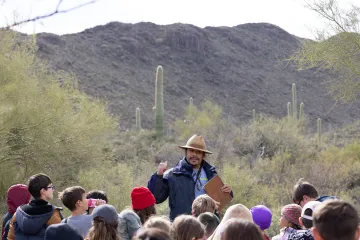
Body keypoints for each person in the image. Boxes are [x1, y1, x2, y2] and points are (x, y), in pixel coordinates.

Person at [148, 134, 233, 220]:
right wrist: (158, 175)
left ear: (203, 155)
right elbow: (156, 198)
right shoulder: (173, 174)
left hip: (207, 224)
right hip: (182, 226)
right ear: (186, 152)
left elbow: (220, 202)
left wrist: (227, 192)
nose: (194, 155)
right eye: (191, 151)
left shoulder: (211, 173)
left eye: (199, 152)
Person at [7, 173, 63, 240]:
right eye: (51, 187)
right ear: (43, 191)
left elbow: (10, 238)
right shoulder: (53, 214)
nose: (53, 190)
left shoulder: (18, 213)